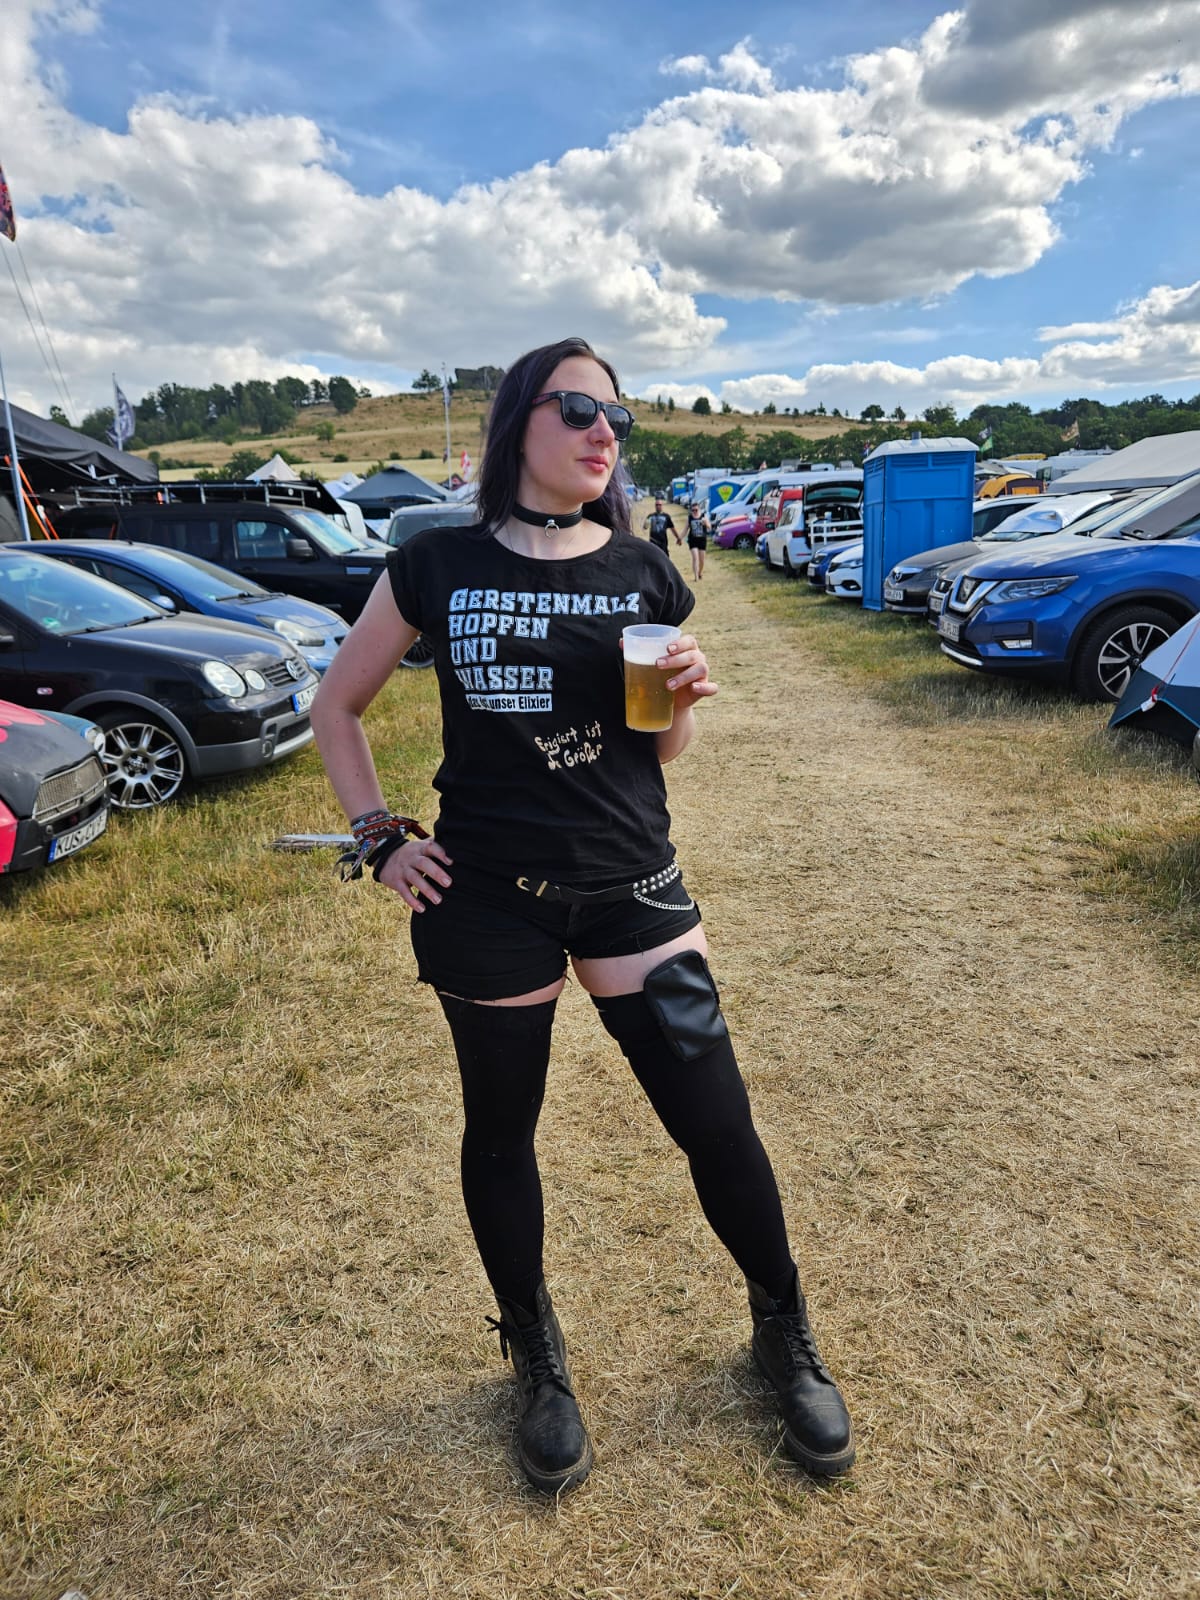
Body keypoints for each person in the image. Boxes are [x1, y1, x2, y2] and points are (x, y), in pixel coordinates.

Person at [310, 336, 853, 1495]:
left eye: (618, 417)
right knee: (502, 1132)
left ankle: (783, 1327)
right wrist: (381, 836)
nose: (606, 432)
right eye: (579, 409)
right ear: (519, 420)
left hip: (633, 888)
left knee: (717, 1118)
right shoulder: (434, 560)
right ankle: (537, 1358)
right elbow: (337, 705)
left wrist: (683, 702)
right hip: (486, 904)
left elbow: (664, 749)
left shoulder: (645, 569)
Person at [685, 500, 709, 581]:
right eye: (693, 510)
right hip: (693, 540)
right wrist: (679, 538)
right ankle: (696, 577)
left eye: (696, 510)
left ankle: (699, 573)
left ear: (699, 509)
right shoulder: (690, 518)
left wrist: (706, 523)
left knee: (702, 561)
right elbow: (685, 529)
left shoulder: (703, 516)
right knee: (695, 558)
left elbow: (709, 527)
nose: (694, 511)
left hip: (702, 540)